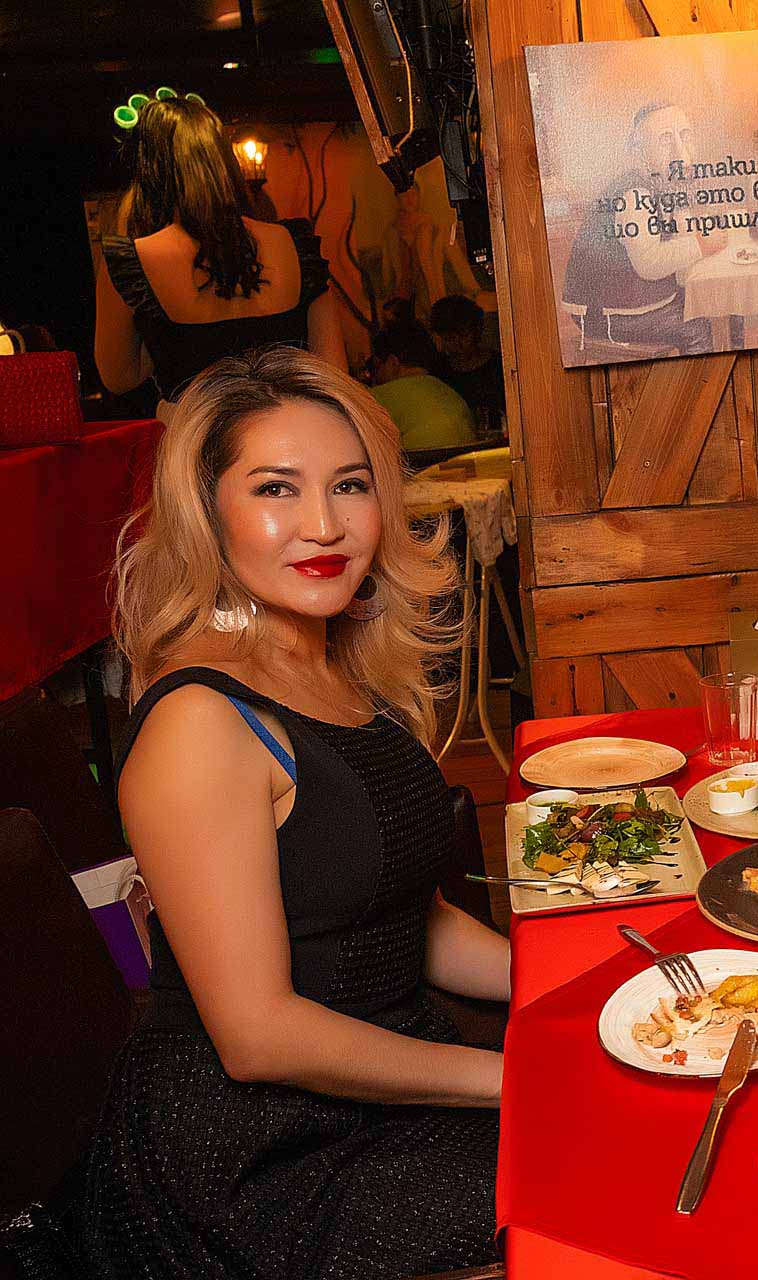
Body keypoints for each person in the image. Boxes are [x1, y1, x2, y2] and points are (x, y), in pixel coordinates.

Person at [83, 347, 506, 1278]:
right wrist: (517, 1081)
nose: (324, 525)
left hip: (383, 1075)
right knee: (602, 1184)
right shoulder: (202, 719)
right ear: (208, 514)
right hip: (263, 1154)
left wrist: (578, 987)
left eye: (350, 485)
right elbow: (258, 1037)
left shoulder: (340, 670)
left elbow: (413, 923)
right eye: (276, 488)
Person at [94, 95, 345, 416]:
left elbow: (119, 378)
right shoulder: (294, 244)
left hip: (199, 436)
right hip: (287, 432)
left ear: (148, 170)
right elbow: (333, 370)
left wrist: (160, 338)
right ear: (225, 160)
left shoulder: (130, 262)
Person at [560, 100, 727, 354]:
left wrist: (699, 232)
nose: (680, 153)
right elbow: (648, 263)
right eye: (665, 140)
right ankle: (701, 377)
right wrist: (701, 245)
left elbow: (677, 230)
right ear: (641, 152)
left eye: (684, 136)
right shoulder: (635, 195)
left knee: (717, 303)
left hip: (628, 304)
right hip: (608, 315)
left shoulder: (661, 183)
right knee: (697, 326)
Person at [368, 321, 477, 452]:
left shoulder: (377, 398)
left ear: (393, 362)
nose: (377, 376)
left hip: (419, 464)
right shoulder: (449, 392)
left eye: (377, 367)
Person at [428, 294, 507, 422]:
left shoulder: (498, 367)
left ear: (477, 331)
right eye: (450, 338)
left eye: (464, 335)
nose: (458, 344)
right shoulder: (438, 371)